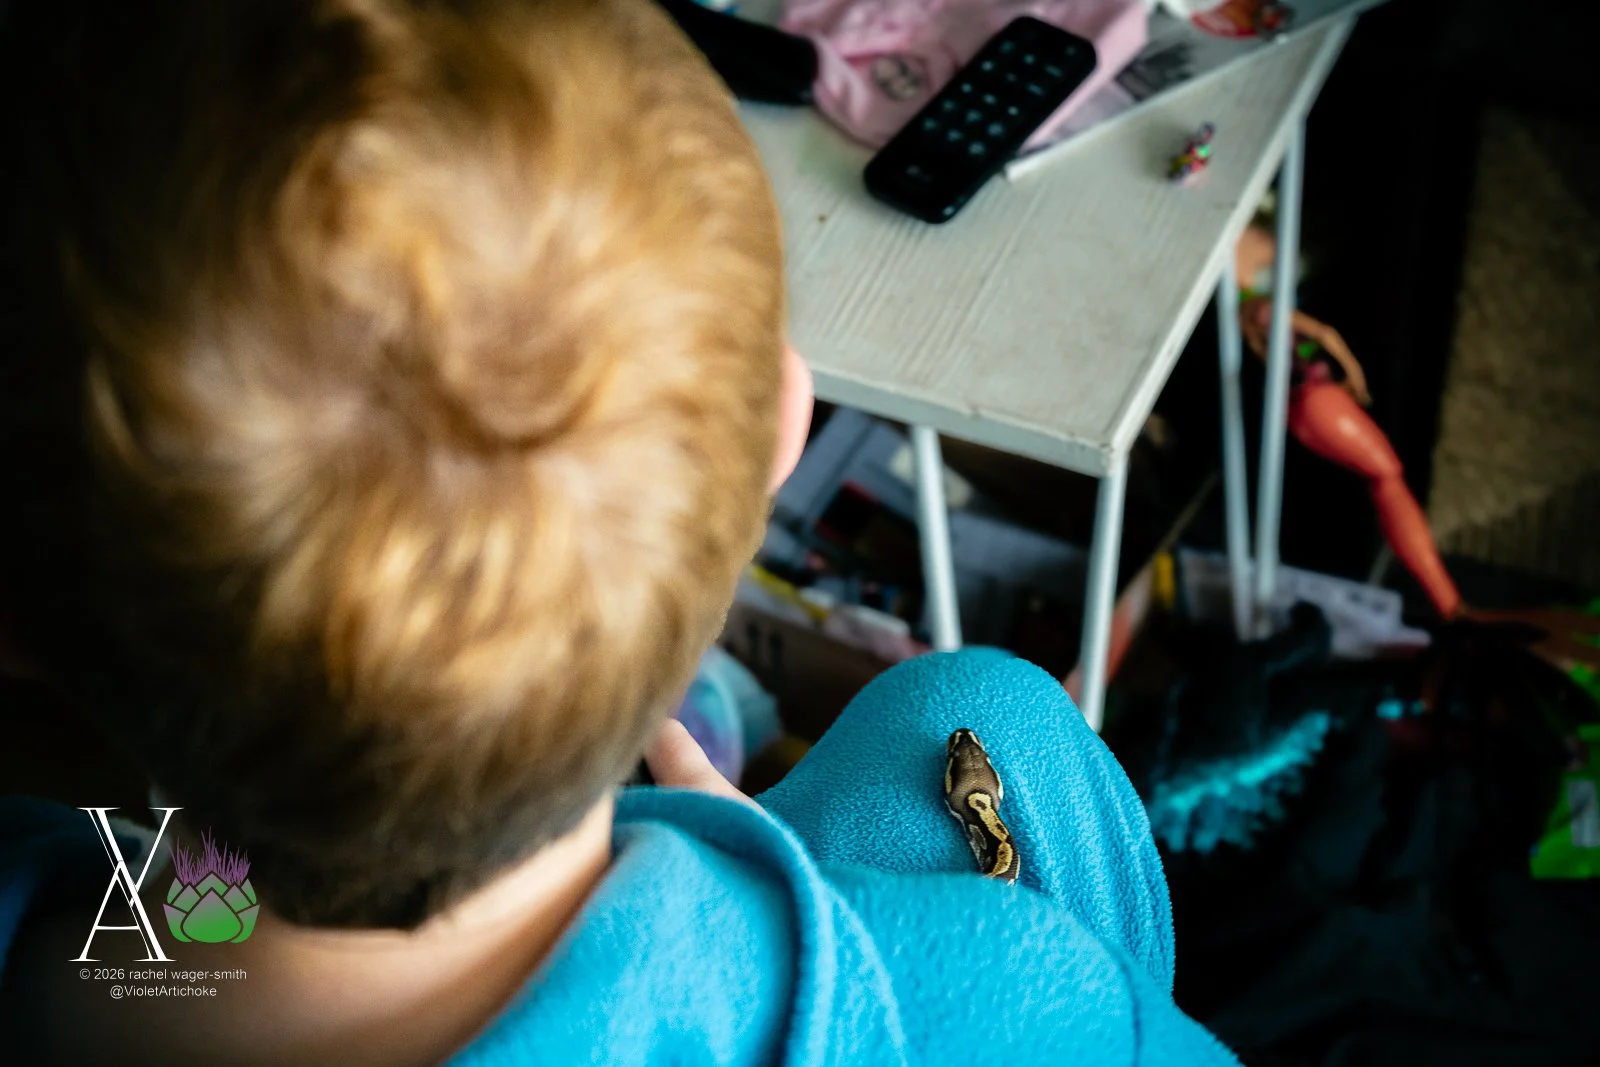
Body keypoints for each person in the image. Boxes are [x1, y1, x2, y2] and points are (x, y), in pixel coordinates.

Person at [0, 1, 1237, 1064]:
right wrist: (750, 895)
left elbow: (194, 902)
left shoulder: (53, 936)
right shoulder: (1011, 997)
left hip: (227, 927)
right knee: (992, 715)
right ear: (776, 435)